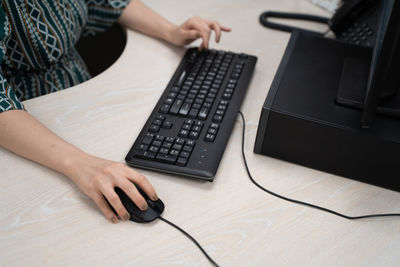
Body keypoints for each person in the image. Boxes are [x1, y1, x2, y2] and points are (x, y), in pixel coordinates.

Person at [0, 0, 230, 223]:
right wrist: (80, 164)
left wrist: (170, 31)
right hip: (21, 126)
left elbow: (106, 1)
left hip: (78, 97)